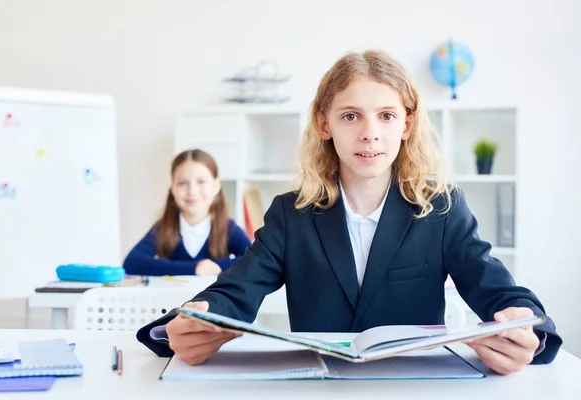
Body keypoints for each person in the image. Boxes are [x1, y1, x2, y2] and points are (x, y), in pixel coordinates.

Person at [137, 50, 562, 375]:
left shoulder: (441, 209)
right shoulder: (291, 215)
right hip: (317, 386)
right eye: (351, 116)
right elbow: (233, 292)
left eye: (386, 115)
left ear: (407, 125)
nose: (370, 133)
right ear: (325, 125)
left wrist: (528, 331)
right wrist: (189, 322)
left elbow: (502, 293)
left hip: (417, 389)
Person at [123, 149, 251, 276]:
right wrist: (193, 268)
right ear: (172, 188)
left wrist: (217, 266)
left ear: (216, 186)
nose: (192, 191)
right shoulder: (163, 228)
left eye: (201, 182)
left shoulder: (227, 227)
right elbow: (132, 263)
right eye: (182, 183)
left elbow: (254, 259)